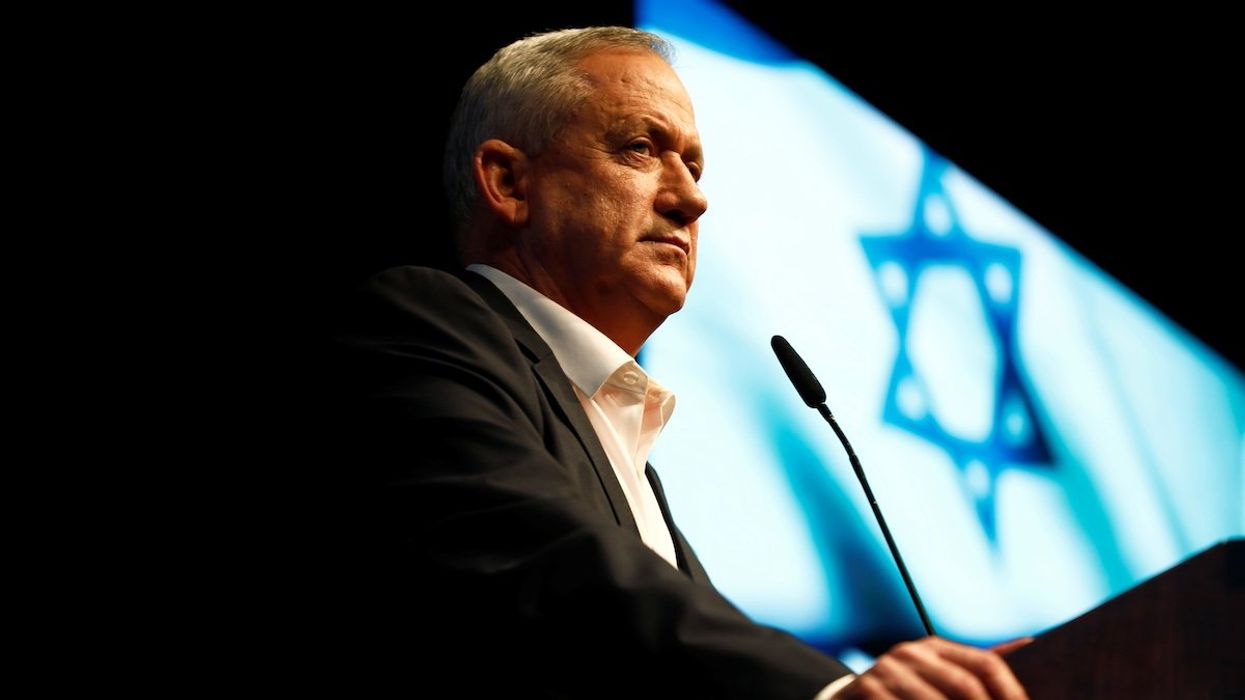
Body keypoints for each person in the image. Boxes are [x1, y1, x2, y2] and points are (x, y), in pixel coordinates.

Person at [327, 26, 1030, 699]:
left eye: (692, 164)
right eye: (640, 148)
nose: (692, 198)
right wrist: (828, 689)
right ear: (509, 183)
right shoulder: (418, 324)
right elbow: (546, 562)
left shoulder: (629, 452)